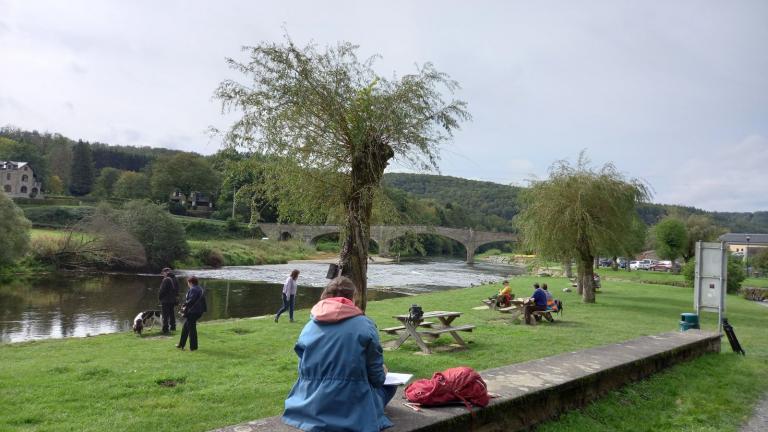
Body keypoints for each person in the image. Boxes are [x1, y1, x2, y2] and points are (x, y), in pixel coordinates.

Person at [282, 276, 396, 432]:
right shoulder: (365, 325)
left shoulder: (309, 326)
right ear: (353, 297)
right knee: (391, 386)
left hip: (309, 406)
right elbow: (377, 380)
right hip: (352, 407)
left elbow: (303, 369)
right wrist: (383, 371)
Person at [177, 276, 206, 351]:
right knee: (185, 328)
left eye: (188, 282)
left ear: (190, 282)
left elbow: (191, 300)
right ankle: (181, 344)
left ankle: (193, 347)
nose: (188, 284)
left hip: (193, 312)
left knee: (191, 330)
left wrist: (184, 305)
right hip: (198, 311)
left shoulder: (193, 289)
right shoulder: (199, 288)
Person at [158, 267, 179, 334]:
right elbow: (177, 290)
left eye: (163, 273)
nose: (163, 274)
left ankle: (165, 329)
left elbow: (162, 291)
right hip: (172, 300)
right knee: (172, 314)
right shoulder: (175, 279)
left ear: (167, 272)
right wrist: (175, 298)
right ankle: (173, 327)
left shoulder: (166, 279)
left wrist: (160, 298)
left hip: (166, 300)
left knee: (165, 315)